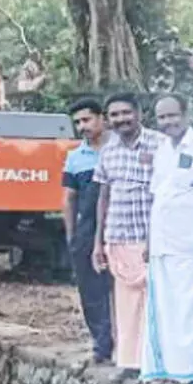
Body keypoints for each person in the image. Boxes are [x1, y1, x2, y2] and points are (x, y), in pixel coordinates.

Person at [143, 94, 193, 384]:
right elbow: (158, 197)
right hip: (162, 244)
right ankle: (170, 369)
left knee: (188, 309)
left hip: (190, 245)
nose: (168, 122)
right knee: (166, 310)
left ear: (186, 114)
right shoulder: (163, 150)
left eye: (173, 116)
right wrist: (149, 242)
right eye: (162, 117)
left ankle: (190, 371)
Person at [92, 93, 163, 372]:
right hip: (118, 237)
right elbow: (103, 197)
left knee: (154, 305)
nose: (121, 119)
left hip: (151, 239)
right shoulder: (108, 150)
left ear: (139, 113)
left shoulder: (161, 145)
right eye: (115, 115)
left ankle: (155, 365)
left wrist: (155, 237)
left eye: (125, 113)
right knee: (125, 306)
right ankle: (130, 363)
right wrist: (98, 242)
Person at [62, 98, 113, 364]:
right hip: (86, 229)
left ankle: (126, 345)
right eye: (78, 122)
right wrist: (72, 238)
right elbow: (69, 199)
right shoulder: (74, 158)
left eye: (87, 120)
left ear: (102, 118)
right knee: (91, 290)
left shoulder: (119, 149)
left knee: (120, 290)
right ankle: (101, 345)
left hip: (120, 227)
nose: (82, 126)